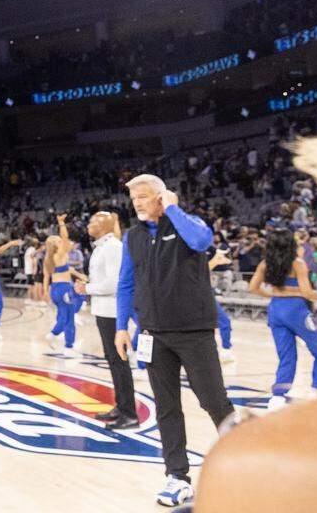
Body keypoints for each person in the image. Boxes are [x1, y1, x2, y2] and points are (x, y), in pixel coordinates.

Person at [115, 174, 234, 508]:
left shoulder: (187, 224)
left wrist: (173, 208)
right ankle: (177, 476)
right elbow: (126, 283)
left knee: (214, 400)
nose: (137, 202)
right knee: (167, 408)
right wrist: (122, 327)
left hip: (194, 331)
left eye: (143, 195)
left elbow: (201, 241)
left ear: (161, 196)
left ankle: (246, 457)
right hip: (153, 334)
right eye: (133, 197)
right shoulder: (133, 236)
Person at [247, 229, 317, 410]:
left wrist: (273, 294)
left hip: (275, 309)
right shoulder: (297, 263)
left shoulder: (265, 263)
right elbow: (307, 293)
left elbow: (253, 288)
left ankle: (278, 397)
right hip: (297, 310)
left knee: (286, 356)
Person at [75, 211, 136, 429]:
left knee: (119, 362)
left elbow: (115, 283)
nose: (88, 225)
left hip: (113, 312)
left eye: (92, 221)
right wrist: (88, 282)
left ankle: (130, 413)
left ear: (104, 225)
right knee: (113, 361)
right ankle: (121, 407)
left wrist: (87, 288)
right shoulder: (102, 247)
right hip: (103, 311)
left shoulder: (113, 248)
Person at [43, 216, 83, 355]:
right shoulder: (59, 255)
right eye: (59, 241)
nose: (62, 242)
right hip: (64, 289)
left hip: (55, 289)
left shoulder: (48, 259)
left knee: (63, 316)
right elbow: (66, 237)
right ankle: (68, 347)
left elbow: (46, 277)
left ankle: (53, 335)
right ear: (55, 245)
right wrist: (61, 223)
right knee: (69, 317)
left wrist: (45, 292)